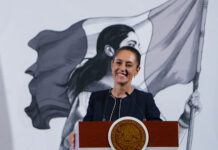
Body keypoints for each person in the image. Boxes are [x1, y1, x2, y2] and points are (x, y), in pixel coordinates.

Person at [69, 46, 161, 149]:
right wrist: (77, 137)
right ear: (112, 65)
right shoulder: (96, 98)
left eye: (128, 65)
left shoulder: (144, 100)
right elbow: (86, 131)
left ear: (137, 70)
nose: (122, 68)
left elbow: (160, 133)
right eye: (118, 63)